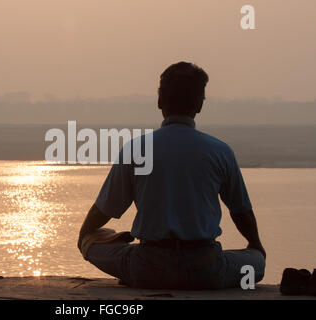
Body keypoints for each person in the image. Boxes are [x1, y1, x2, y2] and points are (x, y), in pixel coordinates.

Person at [77, 62, 266, 290]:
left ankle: (125, 261)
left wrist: (84, 235)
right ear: (199, 105)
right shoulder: (220, 151)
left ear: (159, 102)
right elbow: (241, 211)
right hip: (205, 270)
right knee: (256, 259)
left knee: (90, 241)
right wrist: (256, 245)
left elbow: (103, 210)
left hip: (147, 268)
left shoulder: (136, 149)